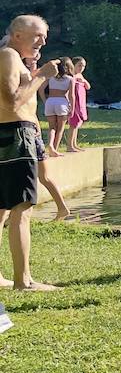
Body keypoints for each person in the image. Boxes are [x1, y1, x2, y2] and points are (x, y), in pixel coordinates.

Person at [0, 15, 61, 291]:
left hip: (14, 134)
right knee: (22, 208)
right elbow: (12, 101)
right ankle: (23, 281)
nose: (43, 41)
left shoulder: (11, 57)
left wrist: (33, 75)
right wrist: (42, 77)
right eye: (37, 35)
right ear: (17, 35)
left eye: (44, 36)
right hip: (15, 134)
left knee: (2, 210)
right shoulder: (9, 56)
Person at [20, 56, 71, 220]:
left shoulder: (28, 81)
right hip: (30, 130)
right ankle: (62, 208)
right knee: (41, 176)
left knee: (42, 176)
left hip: (29, 132)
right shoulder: (28, 79)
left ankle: (61, 208)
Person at [43, 57, 74, 155]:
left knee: (52, 127)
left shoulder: (51, 77)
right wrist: (72, 108)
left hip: (50, 101)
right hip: (62, 102)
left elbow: (40, 88)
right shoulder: (70, 79)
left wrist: (45, 100)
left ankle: (50, 145)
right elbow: (71, 95)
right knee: (60, 128)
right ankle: (55, 149)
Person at [66, 57, 90, 151]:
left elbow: (88, 87)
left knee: (77, 124)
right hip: (74, 103)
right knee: (73, 124)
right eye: (79, 65)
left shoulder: (80, 76)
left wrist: (83, 81)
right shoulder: (71, 76)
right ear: (73, 65)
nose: (81, 68)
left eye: (83, 66)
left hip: (81, 103)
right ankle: (69, 145)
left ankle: (74, 144)